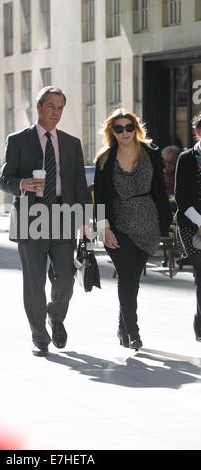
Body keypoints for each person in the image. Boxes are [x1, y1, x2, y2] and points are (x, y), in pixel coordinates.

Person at [0, 86, 90, 357]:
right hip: (31, 215)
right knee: (34, 281)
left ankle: (55, 316)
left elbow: (80, 186)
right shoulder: (17, 140)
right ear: (39, 107)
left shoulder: (72, 143)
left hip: (63, 214)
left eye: (61, 108)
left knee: (66, 279)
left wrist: (85, 222)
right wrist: (22, 184)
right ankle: (39, 336)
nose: (56, 113)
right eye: (51, 107)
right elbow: (5, 180)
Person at [93, 108, 172, 349]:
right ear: (112, 131)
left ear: (135, 128)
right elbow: (100, 196)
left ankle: (122, 327)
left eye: (129, 127)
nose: (125, 132)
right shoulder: (105, 158)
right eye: (119, 128)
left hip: (147, 223)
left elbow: (160, 190)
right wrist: (103, 228)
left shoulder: (150, 153)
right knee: (127, 277)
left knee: (131, 279)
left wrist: (164, 224)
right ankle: (134, 332)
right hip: (118, 226)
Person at [175, 111, 201, 342]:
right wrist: (199, 222)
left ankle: (199, 320)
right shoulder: (185, 158)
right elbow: (180, 195)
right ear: (197, 132)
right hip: (189, 224)